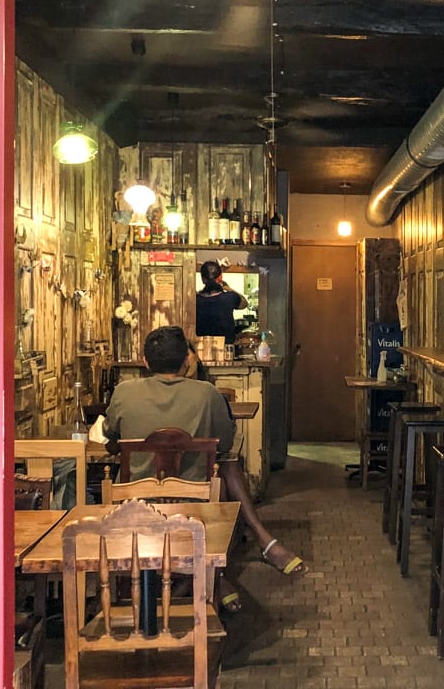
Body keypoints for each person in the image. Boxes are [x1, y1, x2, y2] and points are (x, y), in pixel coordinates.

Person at [103, 326, 307, 610]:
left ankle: (204, 578)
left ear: (145, 361)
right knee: (227, 465)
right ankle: (223, 570)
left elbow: (110, 436)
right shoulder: (207, 394)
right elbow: (224, 443)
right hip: (193, 507)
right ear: (187, 361)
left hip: (134, 507)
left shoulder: (124, 392)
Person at [196, 260, 247, 345]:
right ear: (220, 277)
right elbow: (244, 303)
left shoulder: (196, 300)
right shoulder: (230, 297)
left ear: (203, 279)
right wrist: (228, 288)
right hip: (226, 348)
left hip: (202, 347)